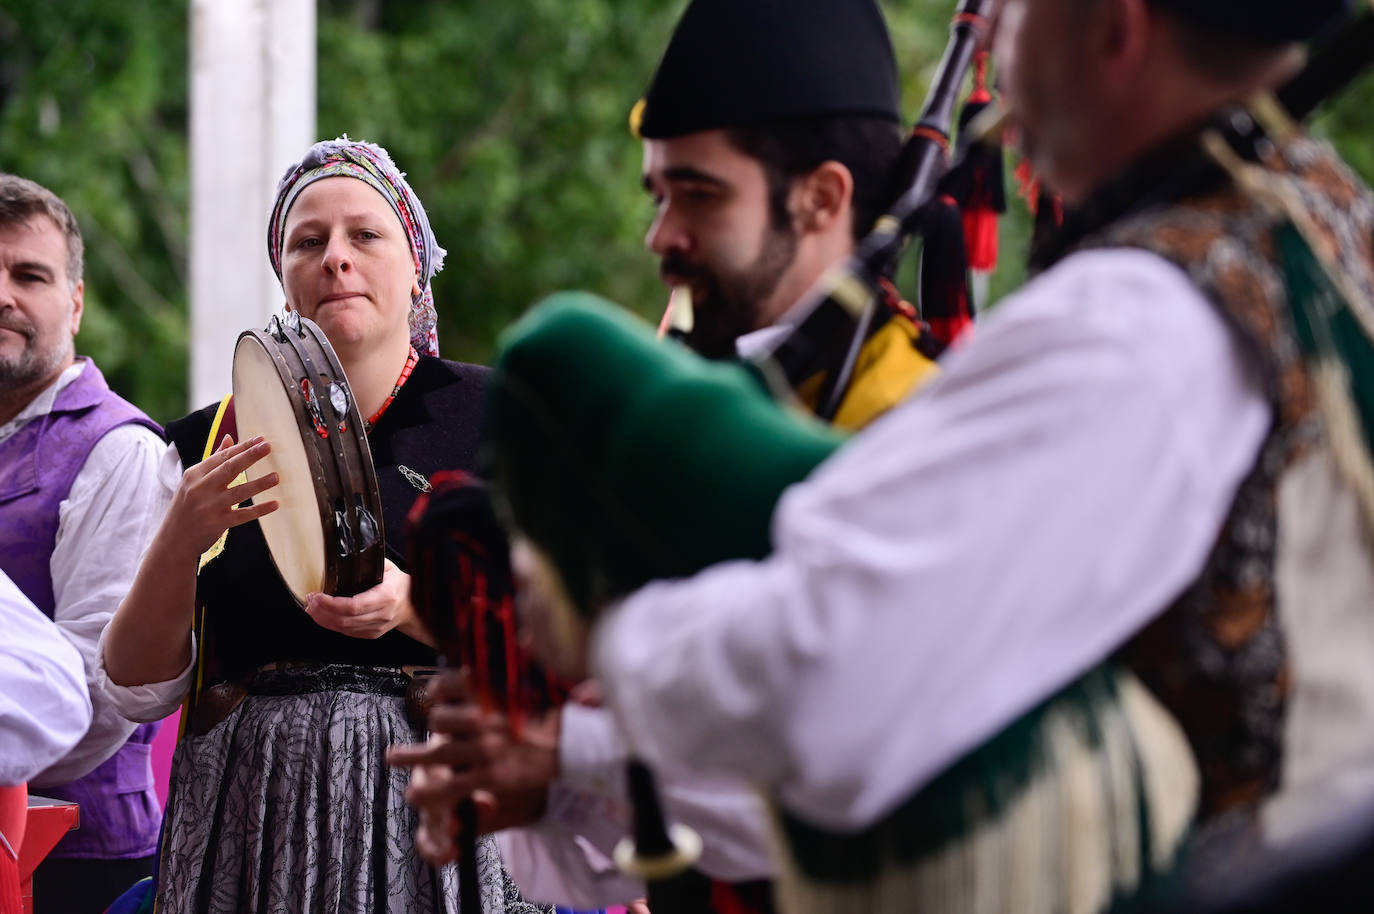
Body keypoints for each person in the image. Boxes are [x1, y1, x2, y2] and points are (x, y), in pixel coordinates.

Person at [478, 0, 1374, 909]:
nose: (998, 56)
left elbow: (831, 691)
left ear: (1115, 26)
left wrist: (611, 639)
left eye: (1013, 16)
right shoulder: (1326, 228)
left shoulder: (1141, 322)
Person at [388, 1, 945, 909]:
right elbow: (581, 863)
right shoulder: (655, 425)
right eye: (659, 196)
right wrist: (532, 778)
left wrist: (572, 751)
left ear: (823, 197)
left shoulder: (910, 428)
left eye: (701, 195)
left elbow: (866, 773)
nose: (661, 237)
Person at [97, 139, 546, 914]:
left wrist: (416, 606)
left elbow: (568, 643)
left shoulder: (501, 420)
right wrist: (180, 535)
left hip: (444, 819)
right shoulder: (206, 444)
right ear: (285, 280)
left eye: (365, 236)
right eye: (309, 242)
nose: (335, 258)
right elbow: (133, 687)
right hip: (251, 822)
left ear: (417, 271)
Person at [0, 173, 168, 910]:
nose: (2, 294)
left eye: (28, 275)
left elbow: (102, 694)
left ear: (75, 300)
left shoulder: (119, 450)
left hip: (77, 866)